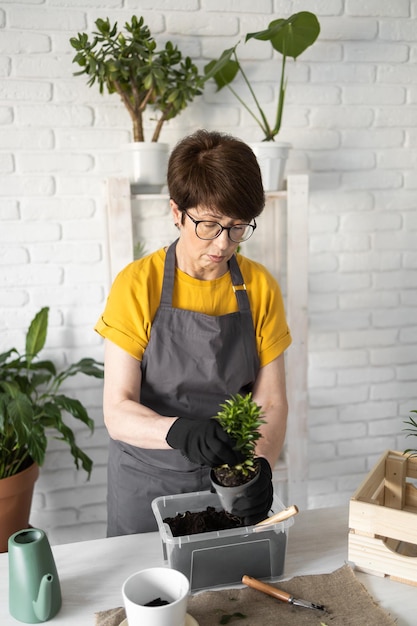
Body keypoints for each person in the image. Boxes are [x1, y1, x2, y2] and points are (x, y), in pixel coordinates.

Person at [95, 129, 292, 536]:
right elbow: (118, 409)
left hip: (229, 484)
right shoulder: (137, 285)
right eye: (209, 225)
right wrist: (179, 430)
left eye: (238, 227)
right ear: (176, 211)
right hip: (148, 481)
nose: (223, 244)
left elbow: (270, 401)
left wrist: (260, 466)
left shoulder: (260, 287)